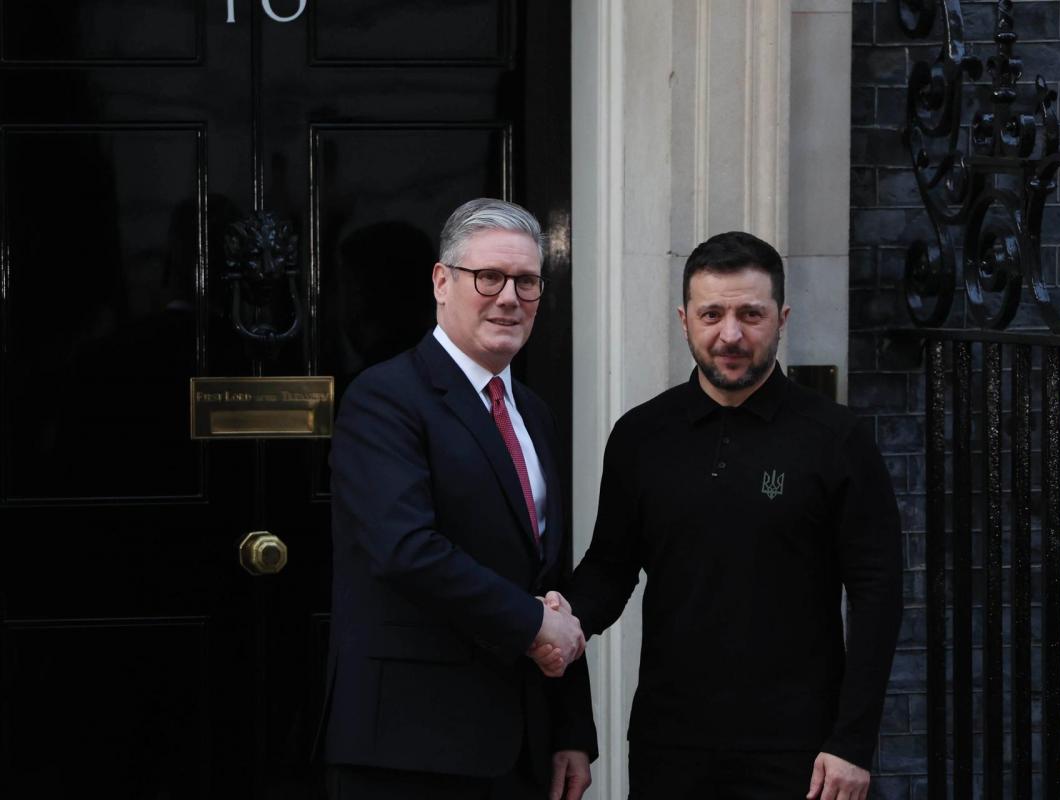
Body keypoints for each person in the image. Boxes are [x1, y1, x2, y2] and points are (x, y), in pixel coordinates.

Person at [546, 231, 902, 799]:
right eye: (712, 314)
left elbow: (878, 595)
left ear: (781, 318)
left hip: (802, 752)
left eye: (750, 314)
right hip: (671, 744)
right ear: (684, 319)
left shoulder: (837, 439)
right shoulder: (641, 436)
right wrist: (560, 623)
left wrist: (852, 742)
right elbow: (610, 569)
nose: (730, 334)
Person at [319, 198, 597, 800]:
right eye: (489, 277)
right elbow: (406, 549)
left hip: (520, 748)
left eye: (526, 282)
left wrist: (572, 729)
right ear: (442, 283)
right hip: (410, 748)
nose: (508, 298)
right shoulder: (385, 398)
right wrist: (534, 625)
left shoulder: (534, 413)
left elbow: (550, 577)